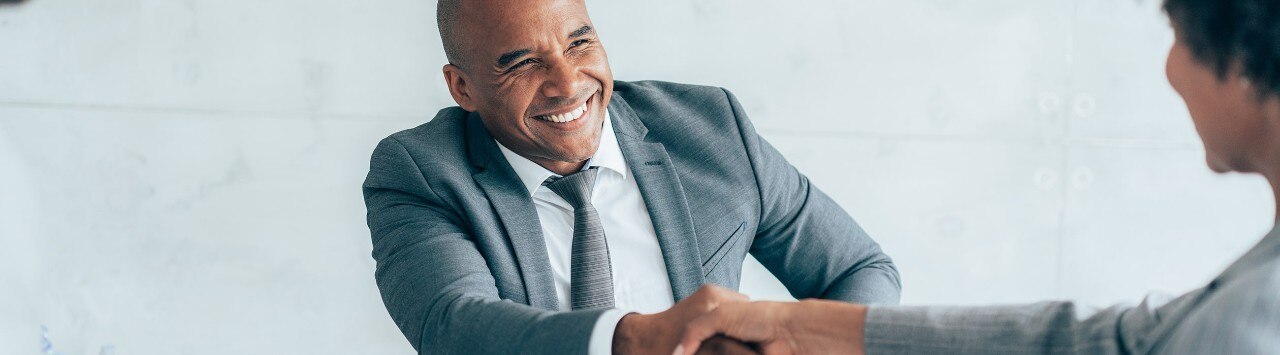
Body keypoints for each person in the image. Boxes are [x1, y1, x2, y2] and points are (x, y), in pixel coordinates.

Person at [676, 0, 1280, 354]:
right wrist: (789, 324)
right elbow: (1106, 340)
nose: (1171, 70)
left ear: (1246, 61)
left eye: (1176, 37)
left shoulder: (1255, 316)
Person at [360, 0, 902, 353]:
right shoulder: (422, 172)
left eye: (579, 43)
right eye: (522, 63)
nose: (568, 84)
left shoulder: (711, 128)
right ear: (462, 88)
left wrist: (796, 343)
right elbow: (453, 326)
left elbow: (857, 267)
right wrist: (634, 338)